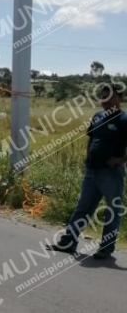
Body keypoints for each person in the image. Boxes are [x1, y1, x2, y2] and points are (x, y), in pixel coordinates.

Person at [48, 82, 127, 259]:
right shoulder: (98, 117)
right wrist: (87, 158)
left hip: (111, 173)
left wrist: (119, 160)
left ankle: (106, 248)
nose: (105, 100)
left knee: (112, 211)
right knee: (83, 208)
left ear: (119, 99)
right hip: (92, 171)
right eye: (103, 96)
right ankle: (68, 243)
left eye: (110, 97)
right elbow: (92, 139)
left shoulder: (123, 120)